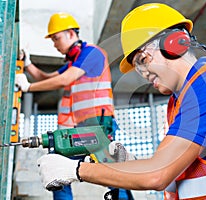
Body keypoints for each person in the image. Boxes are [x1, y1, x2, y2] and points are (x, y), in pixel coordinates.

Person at [36, 4, 206, 199]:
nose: (143, 73)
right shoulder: (180, 99)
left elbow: (157, 175)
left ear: (175, 43)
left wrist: (76, 170)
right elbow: (175, 176)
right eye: (137, 67)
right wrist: (129, 165)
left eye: (143, 59)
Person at [16, 12, 132, 200]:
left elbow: (65, 79)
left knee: (112, 172)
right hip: (85, 126)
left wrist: (28, 87)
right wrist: (28, 64)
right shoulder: (75, 61)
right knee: (59, 164)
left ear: (71, 33)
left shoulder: (92, 53)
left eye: (56, 38)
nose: (54, 44)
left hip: (99, 124)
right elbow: (47, 78)